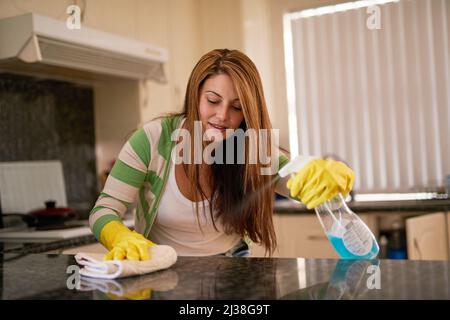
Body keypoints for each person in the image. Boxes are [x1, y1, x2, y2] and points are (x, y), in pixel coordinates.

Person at [88, 49, 355, 260]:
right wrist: (120, 236)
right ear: (195, 96)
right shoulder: (151, 140)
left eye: (237, 107)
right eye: (213, 101)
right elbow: (103, 211)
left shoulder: (247, 146)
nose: (223, 116)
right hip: (163, 270)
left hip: (233, 266)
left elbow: (297, 180)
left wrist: (320, 174)